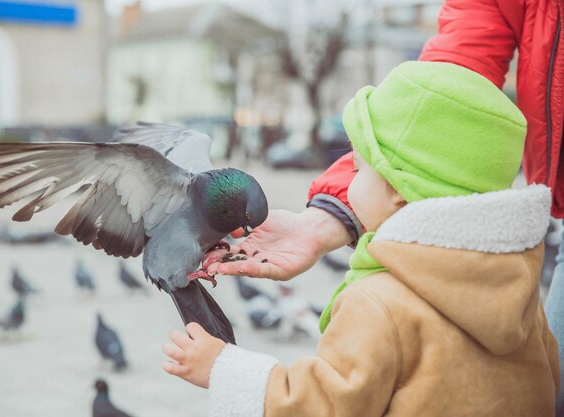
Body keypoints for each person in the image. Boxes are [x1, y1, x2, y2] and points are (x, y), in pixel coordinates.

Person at [203, 1, 564, 413]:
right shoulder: (524, 300)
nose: (350, 179)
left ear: (397, 190)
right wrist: (324, 221)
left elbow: (326, 404)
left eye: (357, 169)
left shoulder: (376, 303)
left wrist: (225, 370)